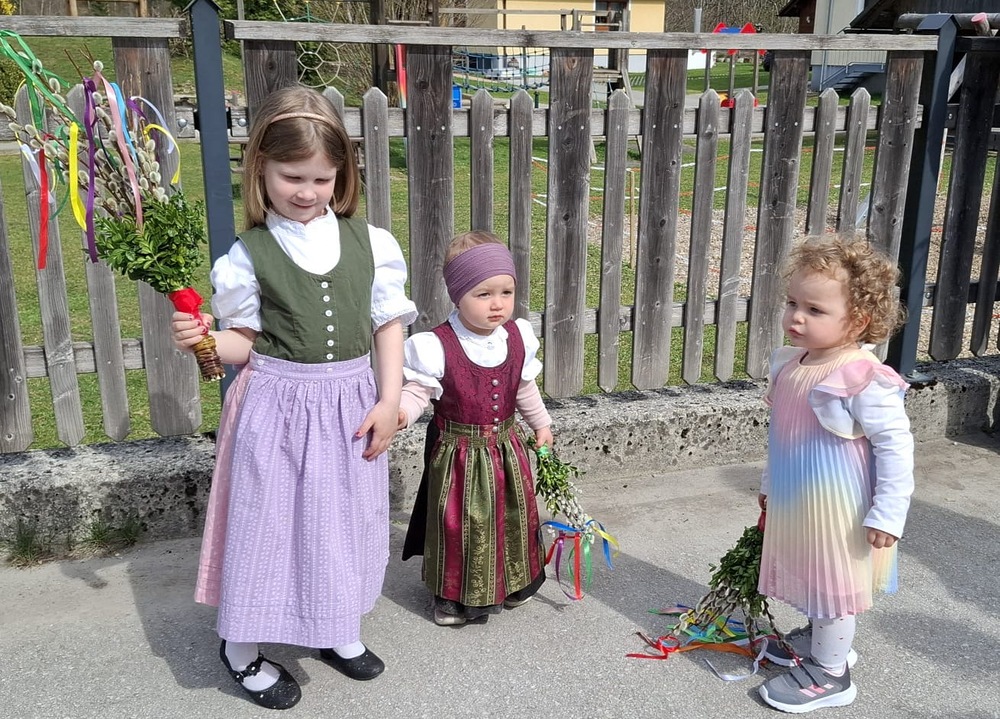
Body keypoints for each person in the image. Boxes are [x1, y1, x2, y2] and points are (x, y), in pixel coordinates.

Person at [170, 85, 417, 710]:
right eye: (292, 176)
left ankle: (334, 625)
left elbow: (388, 326)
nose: (307, 192)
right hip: (276, 410)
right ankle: (240, 647)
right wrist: (205, 339)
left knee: (341, 524)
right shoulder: (247, 256)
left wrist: (389, 400)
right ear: (261, 169)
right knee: (268, 527)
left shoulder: (372, 243)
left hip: (350, 406)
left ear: (341, 175)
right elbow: (243, 343)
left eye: (321, 179)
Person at [755, 236, 914, 713]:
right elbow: (782, 435)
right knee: (812, 574)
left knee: (834, 584)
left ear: (858, 321)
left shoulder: (862, 376)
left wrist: (888, 513)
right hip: (799, 498)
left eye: (815, 310)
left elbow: (895, 447)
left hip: (839, 508)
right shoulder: (792, 363)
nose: (796, 317)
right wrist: (770, 485)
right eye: (792, 303)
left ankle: (831, 673)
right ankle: (822, 639)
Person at [396, 230, 553, 626]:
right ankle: (453, 599)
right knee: (461, 524)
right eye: (483, 294)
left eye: (506, 292)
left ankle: (514, 581)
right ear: (457, 295)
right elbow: (417, 392)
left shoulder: (517, 336)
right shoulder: (436, 346)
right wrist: (401, 413)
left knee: (513, 516)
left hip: (507, 449)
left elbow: (524, 387)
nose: (497, 304)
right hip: (459, 457)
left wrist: (541, 423)